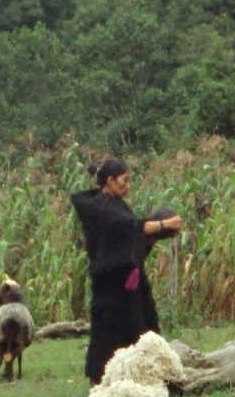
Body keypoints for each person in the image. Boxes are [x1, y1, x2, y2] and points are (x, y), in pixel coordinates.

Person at [70, 159, 182, 385]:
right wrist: (163, 225)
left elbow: (132, 236)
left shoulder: (116, 204)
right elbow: (129, 228)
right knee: (108, 331)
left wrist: (153, 235)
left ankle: (146, 373)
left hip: (129, 278)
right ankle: (100, 378)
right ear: (109, 181)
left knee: (142, 322)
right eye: (124, 180)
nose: (128, 185)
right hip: (109, 281)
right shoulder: (100, 208)